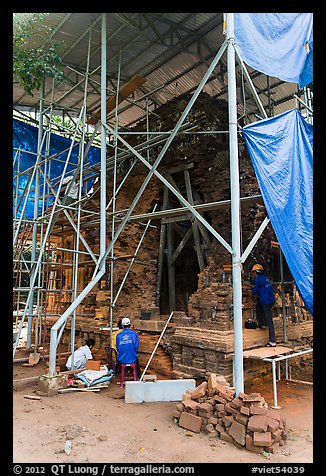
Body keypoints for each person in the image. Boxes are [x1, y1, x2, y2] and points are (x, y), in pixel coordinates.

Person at [251, 264, 276, 347]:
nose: (253, 275)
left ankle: (272, 341)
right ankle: (262, 324)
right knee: (259, 308)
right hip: (270, 300)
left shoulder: (258, 279)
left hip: (266, 301)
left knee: (270, 321)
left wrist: (251, 290)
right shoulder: (265, 278)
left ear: (256, 272)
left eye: (253, 273)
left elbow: (256, 291)